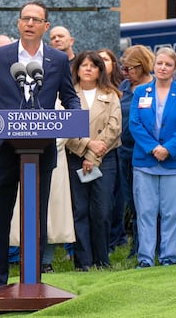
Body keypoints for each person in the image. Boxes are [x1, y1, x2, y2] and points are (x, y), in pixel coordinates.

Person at [0, 0, 81, 288]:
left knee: (35, 219)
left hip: (40, 152)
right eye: (24, 18)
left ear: (45, 26)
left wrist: (77, 116)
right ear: (18, 23)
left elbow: (69, 96)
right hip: (3, 149)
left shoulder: (57, 59)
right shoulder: (1, 55)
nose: (29, 23)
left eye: (35, 19)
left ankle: (32, 283)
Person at [130, 48, 176, 267]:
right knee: (146, 212)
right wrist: (153, 148)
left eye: (168, 64)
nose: (163, 68)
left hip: (175, 162)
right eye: (159, 63)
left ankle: (168, 257)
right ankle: (145, 259)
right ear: (153, 66)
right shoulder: (141, 92)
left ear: (175, 69)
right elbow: (134, 124)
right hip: (145, 162)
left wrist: (167, 149)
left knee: (171, 213)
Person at [65, 51, 121, 270]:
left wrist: (93, 156)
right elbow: (65, 127)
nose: (88, 69)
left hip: (104, 159)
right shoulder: (68, 96)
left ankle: (102, 259)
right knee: (79, 211)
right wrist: (87, 147)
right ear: (76, 69)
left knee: (103, 211)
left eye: (93, 65)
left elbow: (114, 128)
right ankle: (83, 262)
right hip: (75, 158)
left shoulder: (111, 94)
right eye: (83, 65)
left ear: (100, 70)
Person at [117, 45, 155, 258]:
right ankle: (138, 245)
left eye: (129, 68)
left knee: (148, 201)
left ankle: (150, 245)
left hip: (148, 151)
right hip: (125, 151)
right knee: (131, 199)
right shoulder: (124, 86)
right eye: (124, 68)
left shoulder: (155, 86)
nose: (126, 72)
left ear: (142, 67)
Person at [98, 48, 129, 250]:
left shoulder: (123, 87)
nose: (101, 63)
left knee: (118, 196)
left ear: (114, 64)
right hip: (95, 150)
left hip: (120, 147)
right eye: (97, 60)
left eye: (105, 59)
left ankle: (118, 236)